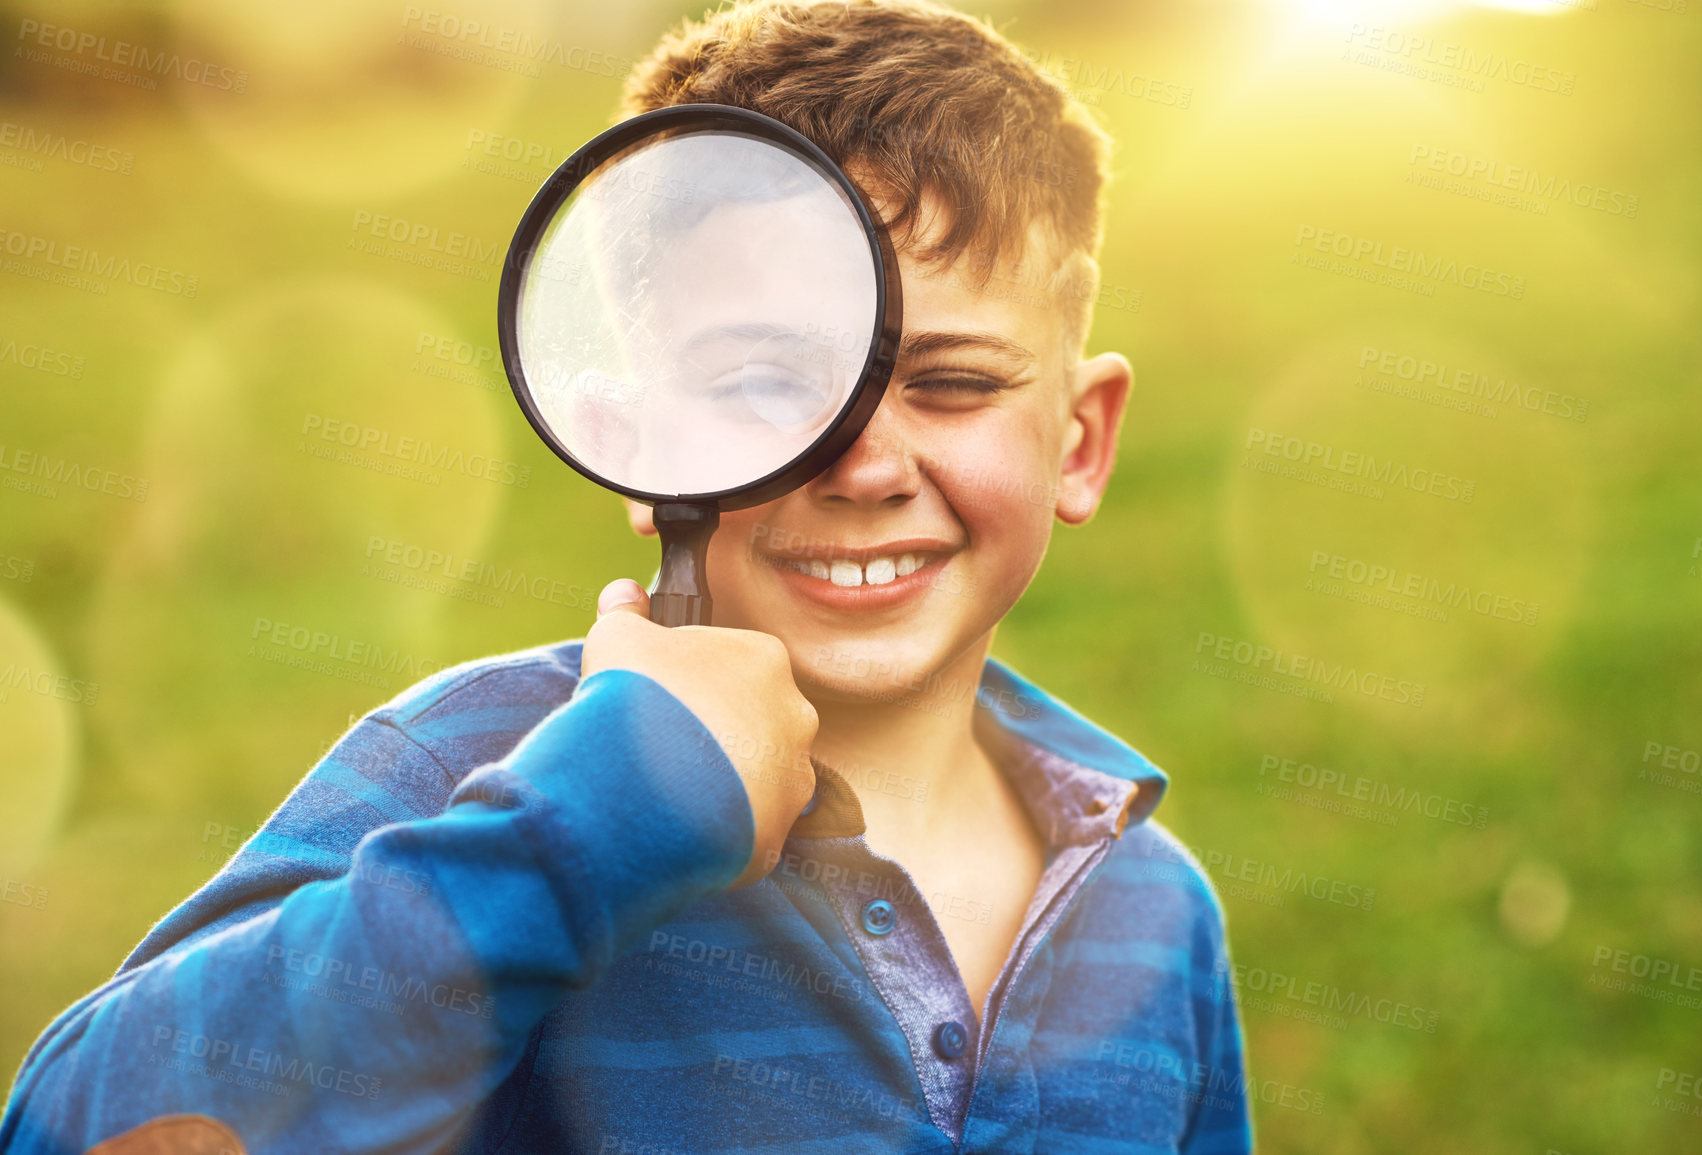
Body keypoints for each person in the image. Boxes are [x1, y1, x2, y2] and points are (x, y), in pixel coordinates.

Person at [0, 1, 1252, 1151]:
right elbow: (72, 1127)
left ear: (1079, 442)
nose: (866, 465)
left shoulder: (1154, 910)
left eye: (955, 382)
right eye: (770, 381)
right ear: (627, 443)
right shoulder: (475, 771)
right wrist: (597, 820)